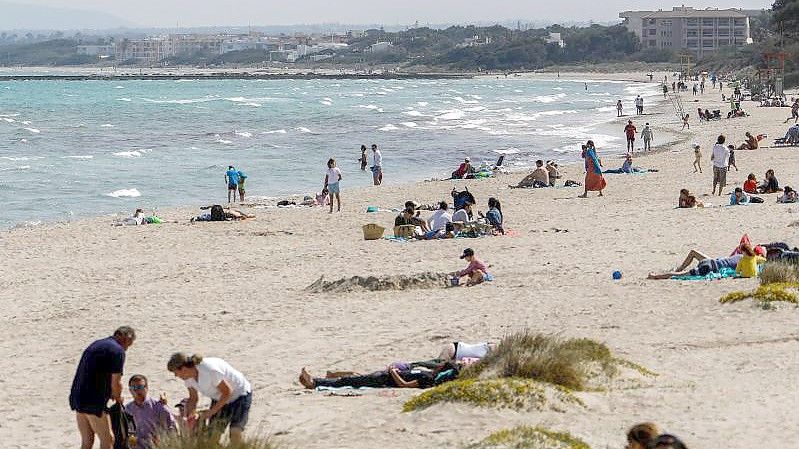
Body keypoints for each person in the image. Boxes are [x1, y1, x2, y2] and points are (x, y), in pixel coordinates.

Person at [70, 326, 136, 449]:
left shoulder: (96, 344)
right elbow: (116, 382)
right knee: (108, 439)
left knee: (87, 440)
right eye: (128, 345)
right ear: (127, 338)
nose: (126, 349)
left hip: (77, 396)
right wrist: (117, 398)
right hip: (93, 401)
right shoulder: (118, 351)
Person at [167, 353, 252, 444]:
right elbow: (193, 398)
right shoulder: (188, 378)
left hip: (239, 396)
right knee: (212, 435)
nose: (176, 376)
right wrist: (189, 416)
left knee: (235, 432)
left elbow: (227, 392)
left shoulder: (209, 370)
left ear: (183, 369)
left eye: (176, 373)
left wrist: (210, 412)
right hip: (219, 397)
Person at [299, 361, 458, 390]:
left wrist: (394, 373)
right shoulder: (428, 373)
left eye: (441, 365)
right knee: (354, 377)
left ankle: (315, 382)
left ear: (443, 369)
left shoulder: (428, 379)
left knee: (351, 380)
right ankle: (324, 379)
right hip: (385, 375)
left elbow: (405, 385)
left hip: (386, 379)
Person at [125, 375, 177, 448]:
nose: (136, 391)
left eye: (140, 387)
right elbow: (125, 431)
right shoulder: (128, 409)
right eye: (133, 388)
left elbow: (172, 427)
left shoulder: (158, 407)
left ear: (146, 388)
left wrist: (163, 439)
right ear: (130, 390)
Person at [647, 250, 744, 279]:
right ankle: (655, 276)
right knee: (680, 275)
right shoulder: (745, 261)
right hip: (708, 267)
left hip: (710, 261)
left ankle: (680, 268)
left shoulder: (739, 255)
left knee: (693, 252)